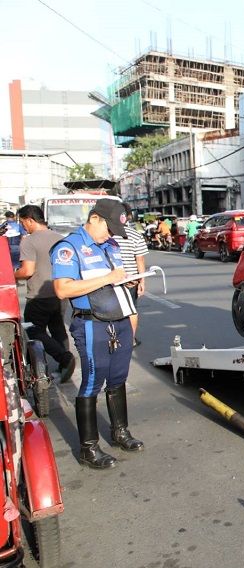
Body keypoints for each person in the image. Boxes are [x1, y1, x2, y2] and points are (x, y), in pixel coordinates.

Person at [52, 199, 144, 470]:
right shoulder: (68, 248)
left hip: (120, 319)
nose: (112, 234)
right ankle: (88, 447)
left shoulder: (111, 245)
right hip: (91, 324)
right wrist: (108, 278)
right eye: (109, 228)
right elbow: (63, 289)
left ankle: (120, 432)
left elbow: (113, 280)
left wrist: (127, 280)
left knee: (118, 378)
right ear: (94, 218)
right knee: (93, 381)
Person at [14, 205, 76, 382]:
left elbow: (27, 270)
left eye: (23, 222)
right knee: (57, 328)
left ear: (30, 220)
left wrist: (12, 273)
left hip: (38, 295)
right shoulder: (60, 238)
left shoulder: (29, 240)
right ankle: (65, 364)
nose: (23, 226)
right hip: (59, 291)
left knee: (33, 330)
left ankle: (64, 358)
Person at [111, 202, 148, 347]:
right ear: (128, 216)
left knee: (112, 311)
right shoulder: (135, 235)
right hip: (131, 280)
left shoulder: (109, 234)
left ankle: (113, 340)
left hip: (111, 279)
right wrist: (142, 281)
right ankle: (130, 340)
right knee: (131, 310)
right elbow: (140, 259)